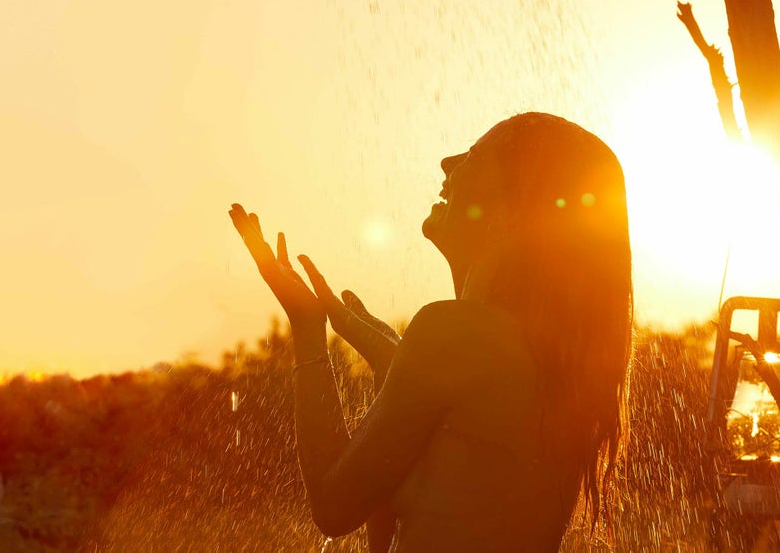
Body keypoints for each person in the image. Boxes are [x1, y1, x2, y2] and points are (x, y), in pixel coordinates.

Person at [230, 112, 632, 551]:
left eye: (473, 156)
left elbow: (333, 506)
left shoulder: (455, 332)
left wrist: (308, 333)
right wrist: (392, 367)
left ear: (514, 208)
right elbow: (409, 514)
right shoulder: (542, 356)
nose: (447, 162)